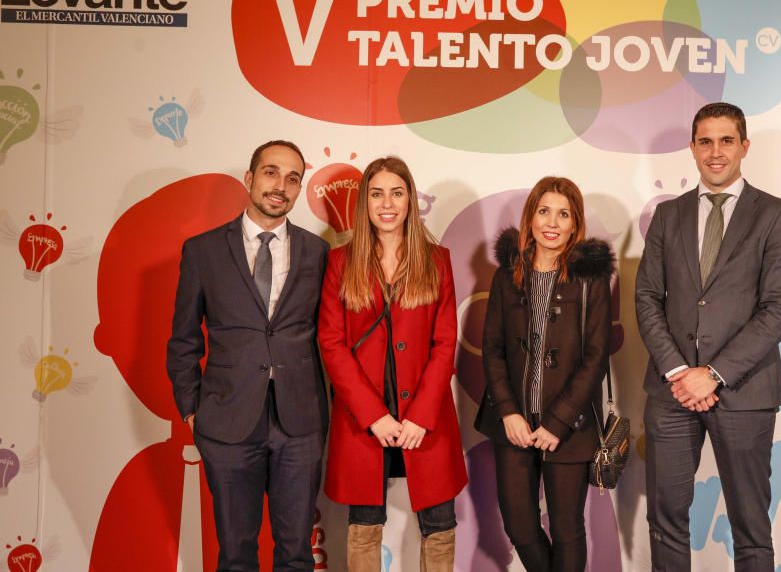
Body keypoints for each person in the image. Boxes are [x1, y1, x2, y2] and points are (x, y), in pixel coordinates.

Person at [635, 102, 781, 572]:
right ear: (692, 148)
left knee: (751, 526)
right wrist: (679, 371)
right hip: (672, 394)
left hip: (745, 391)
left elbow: (779, 309)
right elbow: (647, 297)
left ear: (744, 147)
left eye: (726, 140)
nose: (715, 152)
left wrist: (712, 374)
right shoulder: (666, 216)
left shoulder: (776, 215)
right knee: (665, 520)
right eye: (705, 141)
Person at [166, 140, 330, 571]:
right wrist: (191, 409)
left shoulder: (318, 252)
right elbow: (183, 339)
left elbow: (329, 335)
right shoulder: (202, 251)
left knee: (296, 553)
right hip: (227, 422)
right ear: (250, 178)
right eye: (272, 172)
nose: (281, 185)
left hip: (300, 423)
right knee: (236, 555)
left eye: (293, 178)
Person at [318, 156, 467, 572]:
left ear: (410, 200)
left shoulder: (437, 260)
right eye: (377, 193)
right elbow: (331, 344)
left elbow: (444, 342)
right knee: (364, 524)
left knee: (439, 524)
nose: (387, 203)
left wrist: (421, 415)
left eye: (397, 193)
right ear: (364, 202)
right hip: (364, 420)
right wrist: (374, 417)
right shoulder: (339, 263)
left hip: (426, 417)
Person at [475, 177, 615, 572]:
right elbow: (493, 349)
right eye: (544, 211)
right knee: (519, 524)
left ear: (575, 224)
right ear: (531, 217)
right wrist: (508, 412)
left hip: (569, 426)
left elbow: (596, 356)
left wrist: (557, 422)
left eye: (563, 214)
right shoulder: (507, 276)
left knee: (568, 528)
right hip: (514, 424)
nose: (552, 222)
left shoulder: (591, 280)